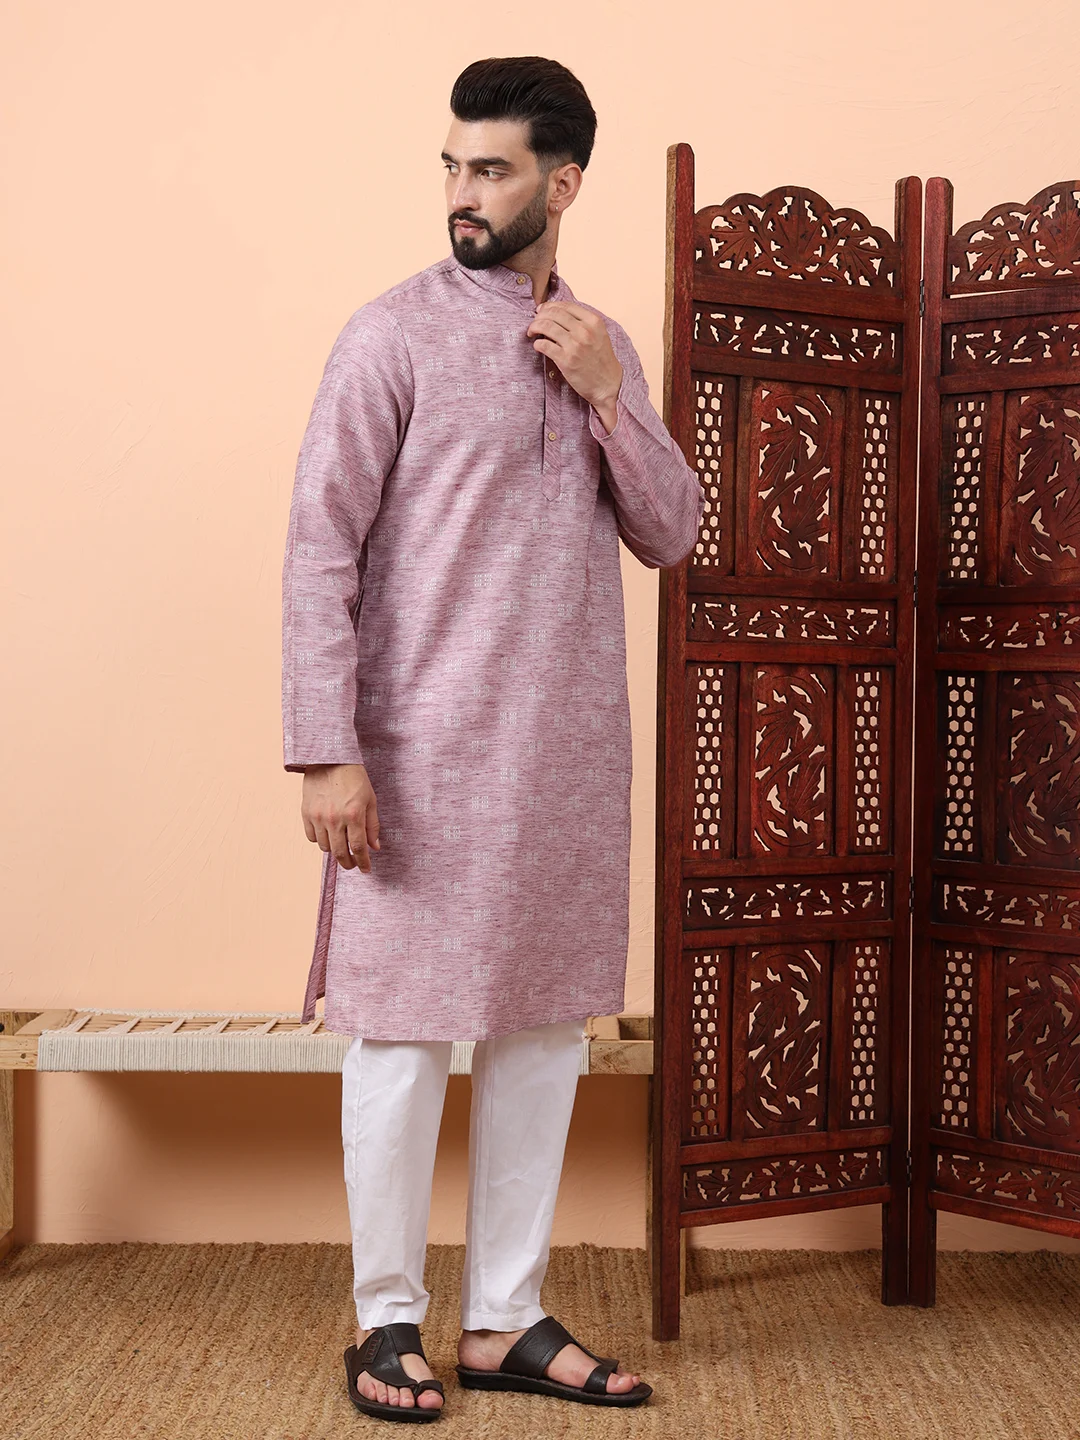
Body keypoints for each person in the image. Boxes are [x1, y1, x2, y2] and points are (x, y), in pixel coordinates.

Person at [280, 54, 703, 1422]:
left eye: (494, 170)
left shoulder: (598, 343)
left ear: (561, 185)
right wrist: (326, 749)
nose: (463, 193)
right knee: (400, 1042)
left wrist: (609, 393)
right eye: (453, 167)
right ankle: (385, 1320)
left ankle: (506, 1317)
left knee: (539, 1035)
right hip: (415, 758)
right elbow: (318, 552)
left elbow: (671, 533)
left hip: (564, 761)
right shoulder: (388, 337)